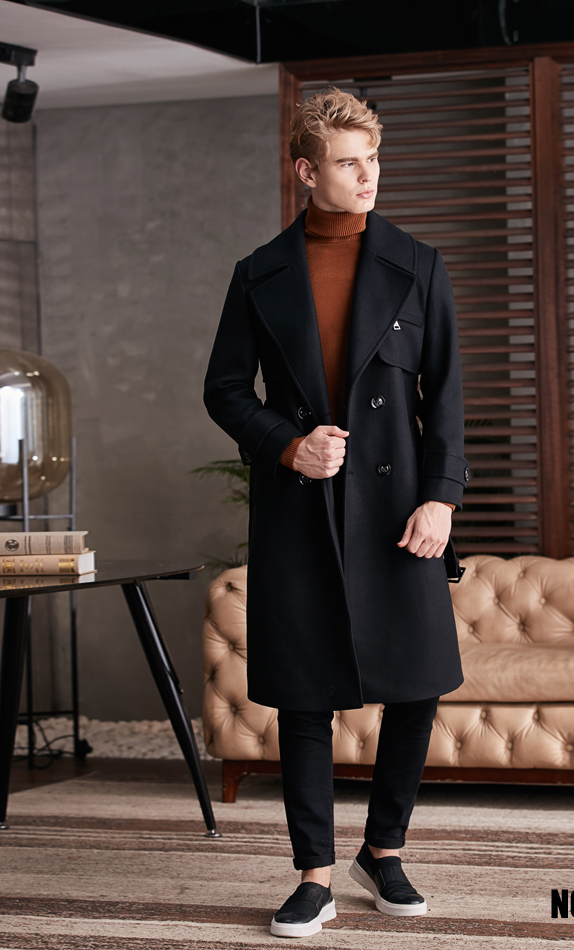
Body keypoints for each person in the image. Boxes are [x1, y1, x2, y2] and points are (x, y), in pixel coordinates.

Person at [203, 87, 471, 939]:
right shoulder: (259, 274)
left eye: (373, 159)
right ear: (305, 170)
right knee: (304, 696)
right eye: (349, 162)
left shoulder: (418, 264)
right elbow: (224, 390)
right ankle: (313, 875)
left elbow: (447, 397)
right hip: (299, 510)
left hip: (400, 510)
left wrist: (442, 498)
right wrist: (288, 446)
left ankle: (383, 851)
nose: (368, 175)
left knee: (418, 686)